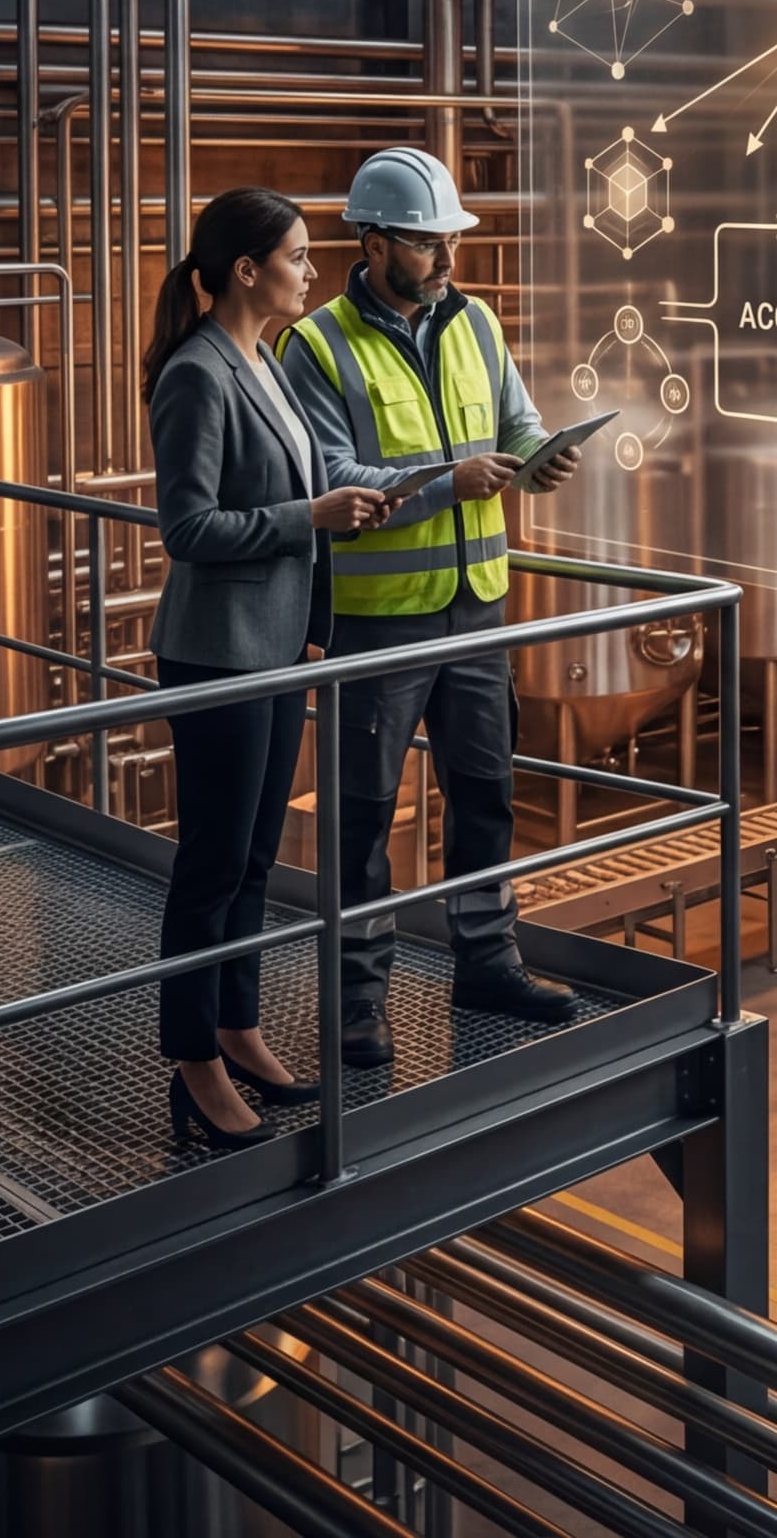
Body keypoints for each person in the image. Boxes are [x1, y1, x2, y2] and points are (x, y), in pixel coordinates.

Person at [278, 148, 581, 1062]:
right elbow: (328, 477)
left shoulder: (477, 323)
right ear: (372, 242)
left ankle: (487, 961)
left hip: (477, 609)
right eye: (426, 241)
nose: (446, 256)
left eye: (450, 238)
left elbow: (517, 421)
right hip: (381, 620)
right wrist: (451, 482)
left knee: (485, 795)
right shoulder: (318, 345)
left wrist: (541, 454)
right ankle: (358, 998)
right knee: (364, 813)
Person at [143, 189, 388, 1151]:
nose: (310, 270)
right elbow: (188, 528)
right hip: (216, 654)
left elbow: (301, 494)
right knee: (210, 862)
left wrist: (317, 628)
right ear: (247, 269)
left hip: (281, 649)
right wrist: (311, 519)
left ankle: (238, 1025)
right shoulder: (199, 375)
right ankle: (191, 1057)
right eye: (296, 255)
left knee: (253, 856)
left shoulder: (267, 361)